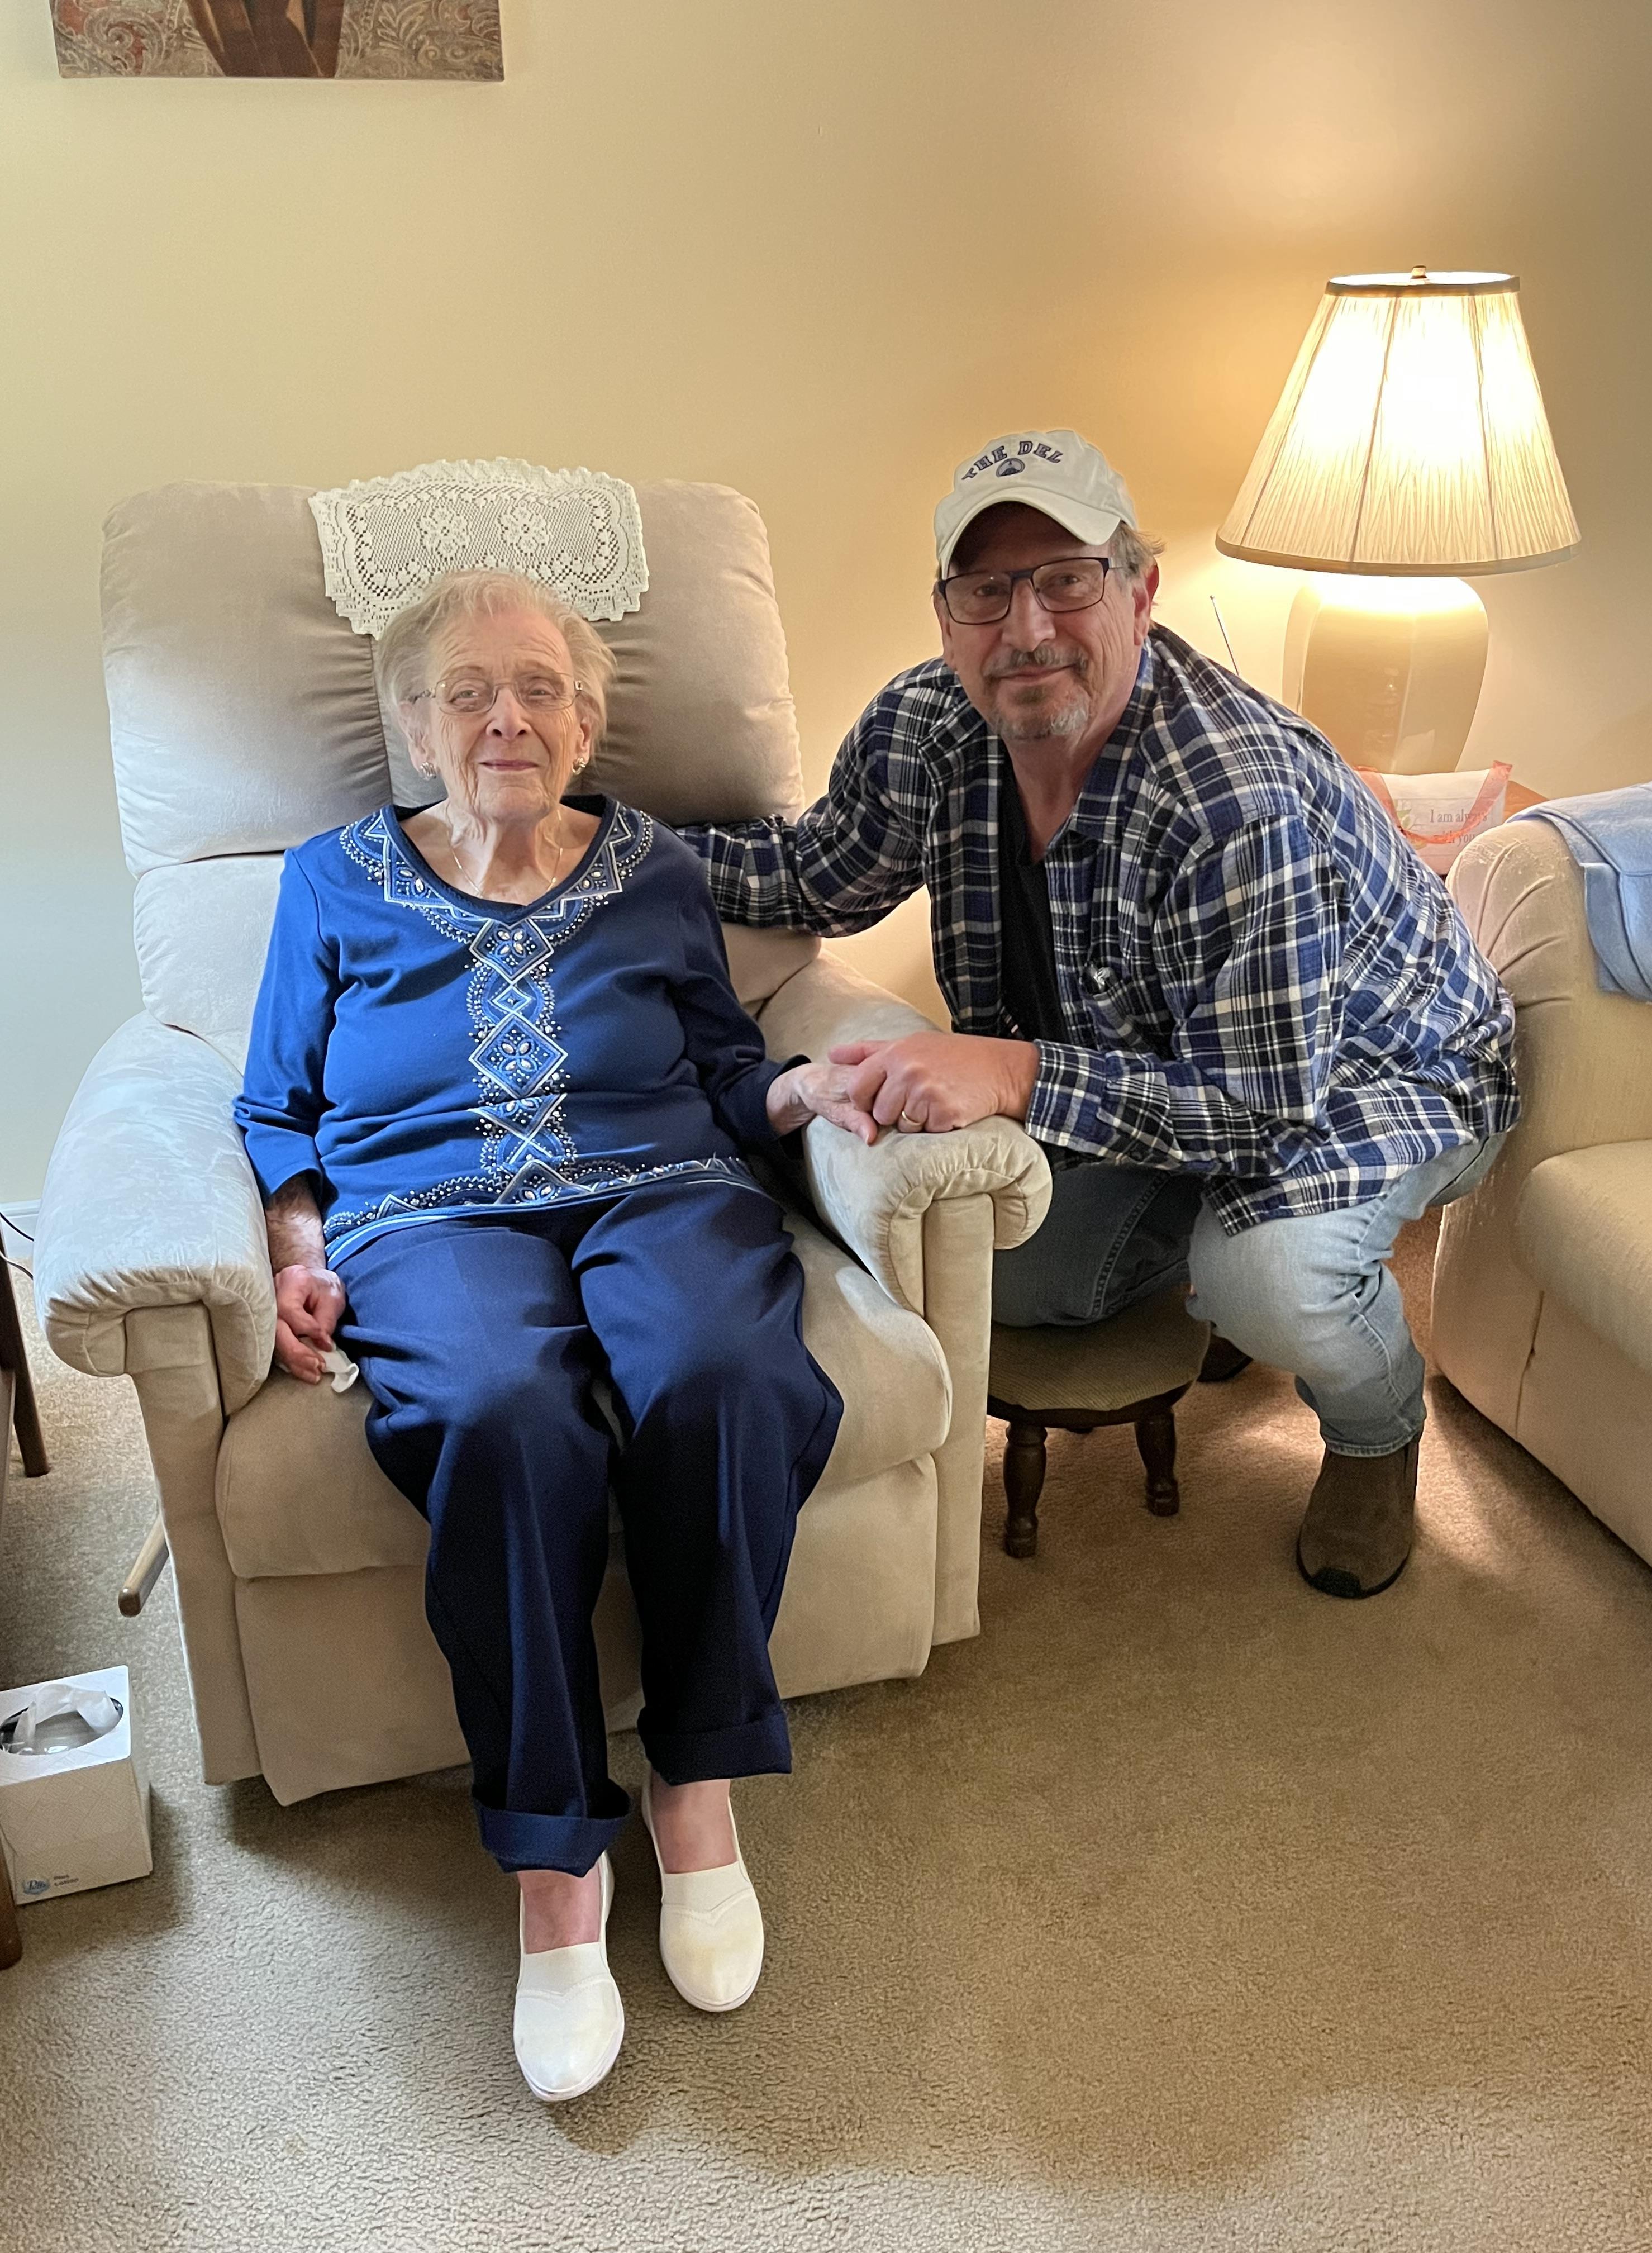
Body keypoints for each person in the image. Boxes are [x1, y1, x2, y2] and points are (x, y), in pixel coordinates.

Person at [234, 569, 875, 2104]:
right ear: (407, 723)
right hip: (428, 1212)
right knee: (505, 1417)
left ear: (589, 720)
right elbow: (275, 1102)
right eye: (465, 690)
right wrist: (297, 1244)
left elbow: (729, 1067)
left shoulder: (655, 867)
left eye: (538, 688)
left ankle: (697, 1776)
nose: (506, 716)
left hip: (662, 1183)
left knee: (724, 1378)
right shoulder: (329, 882)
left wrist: (806, 1093)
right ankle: (551, 1867)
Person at [681, 429, 1518, 1603]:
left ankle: (1377, 1431)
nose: (1026, 629)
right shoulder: (930, 726)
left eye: (1066, 579)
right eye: (987, 590)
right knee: (1008, 1270)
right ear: (946, 615)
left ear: (1140, 591)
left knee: (1267, 1276)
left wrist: (1015, 1073)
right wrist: (591, 844)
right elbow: (814, 878)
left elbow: (1263, 1105)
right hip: (1174, 1067)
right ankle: (1212, 1257)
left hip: (1378, 1068)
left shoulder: (1231, 797)